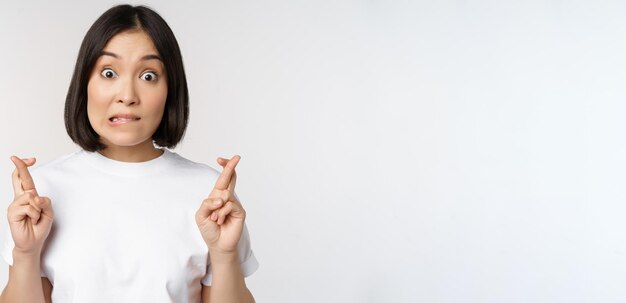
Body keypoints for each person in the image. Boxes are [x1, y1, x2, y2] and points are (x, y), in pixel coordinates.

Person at [0, 4, 258, 303]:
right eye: (108, 73)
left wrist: (225, 256)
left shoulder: (209, 193)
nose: (127, 95)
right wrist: (25, 253)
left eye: (148, 76)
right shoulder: (43, 192)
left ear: (170, 90)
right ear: (85, 83)